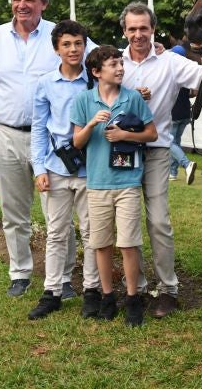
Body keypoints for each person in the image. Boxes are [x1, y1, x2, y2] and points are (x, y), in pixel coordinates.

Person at [0, 0, 89, 298]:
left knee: (57, 213)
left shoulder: (61, 36)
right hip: (5, 134)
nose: (22, 5)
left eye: (29, 0)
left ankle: (63, 279)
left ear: (43, 4)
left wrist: (141, 56)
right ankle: (20, 272)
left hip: (50, 142)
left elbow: (100, 61)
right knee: (13, 212)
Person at [119, 2, 202, 318]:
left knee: (158, 221)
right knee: (127, 222)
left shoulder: (170, 62)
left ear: (153, 29)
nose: (138, 34)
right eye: (132, 29)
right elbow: (96, 90)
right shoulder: (116, 63)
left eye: (144, 28)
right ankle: (136, 289)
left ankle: (168, 290)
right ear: (124, 31)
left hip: (156, 151)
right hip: (121, 153)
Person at [71, 45, 158, 326]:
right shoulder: (84, 101)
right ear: (97, 72)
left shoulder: (132, 98)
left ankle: (133, 298)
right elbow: (76, 142)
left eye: (121, 63)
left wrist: (124, 135)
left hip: (128, 182)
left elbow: (151, 133)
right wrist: (90, 125)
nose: (121, 68)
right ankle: (107, 296)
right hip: (97, 183)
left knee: (129, 242)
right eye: (114, 64)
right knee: (100, 243)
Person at [28, 20, 100, 320]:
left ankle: (93, 291)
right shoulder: (45, 84)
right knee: (57, 232)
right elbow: (38, 129)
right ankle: (53, 291)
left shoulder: (95, 81)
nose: (73, 49)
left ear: (85, 46)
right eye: (67, 44)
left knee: (92, 233)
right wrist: (39, 168)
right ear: (57, 48)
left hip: (90, 169)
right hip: (57, 167)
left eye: (78, 43)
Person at [167, 45, 197, 184]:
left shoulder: (169, 71)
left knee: (169, 142)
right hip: (185, 112)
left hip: (173, 113)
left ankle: (186, 164)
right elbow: (193, 92)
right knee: (176, 142)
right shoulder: (186, 71)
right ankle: (173, 172)